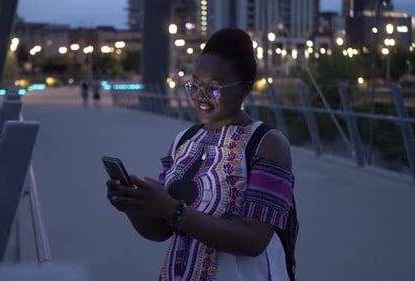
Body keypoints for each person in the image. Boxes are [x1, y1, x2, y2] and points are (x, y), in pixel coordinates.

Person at [106, 28, 295, 281]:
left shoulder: (268, 143)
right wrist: (134, 205)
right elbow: (161, 231)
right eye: (194, 85)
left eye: (214, 88)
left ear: (245, 88)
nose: (200, 96)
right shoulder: (183, 141)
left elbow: (255, 240)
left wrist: (173, 209)